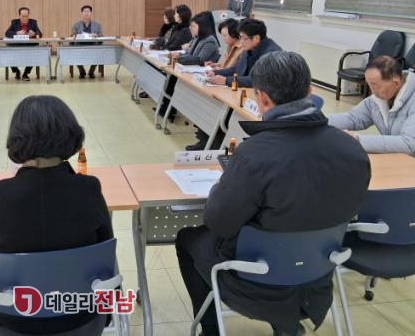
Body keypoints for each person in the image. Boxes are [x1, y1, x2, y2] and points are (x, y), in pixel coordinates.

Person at [176, 51, 371, 336]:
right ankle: (284, 326)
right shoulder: (353, 149)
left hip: (255, 282)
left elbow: (218, 222)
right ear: (310, 91)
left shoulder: (254, 154)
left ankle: (210, 329)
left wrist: (223, 184)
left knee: (187, 239)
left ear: (262, 98)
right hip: (317, 278)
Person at [0, 95, 113, 333]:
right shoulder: (89, 188)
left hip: (13, 317)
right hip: (80, 314)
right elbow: (104, 252)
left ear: (17, 139)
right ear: (70, 134)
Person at [328, 56, 415, 155]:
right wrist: (320, 120)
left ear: (396, 83)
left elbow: (408, 143)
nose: (372, 91)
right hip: (397, 158)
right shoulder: (378, 98)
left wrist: (358, 140)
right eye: (369, 85)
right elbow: (354, 118)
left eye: (375, 85)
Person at [206, 18, 281, 88]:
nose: (241, 41)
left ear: (256, 38)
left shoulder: (272, 54)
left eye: (244, 38)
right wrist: (216, 72)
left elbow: (258, 80)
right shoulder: (249, 47)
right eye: (240, 37)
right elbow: (238, 68)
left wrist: (226, 80)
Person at [5, 7, 43, 81]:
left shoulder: (33, 22)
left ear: (29, 15)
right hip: (16, 45)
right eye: (23, 16)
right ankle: (17, 71)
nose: (25, 18)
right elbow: (7, 33)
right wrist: (17, 33)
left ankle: (25, 74)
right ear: (19, 15)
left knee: (34, 54)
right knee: (9, 54)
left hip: (29, 45)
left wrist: (34, 34)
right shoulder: (14, 22)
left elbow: (40, 34)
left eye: (27, 16)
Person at [71, 4, 103, 79]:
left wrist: (97, 35)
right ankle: (82, 71)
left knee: (98, 54)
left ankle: (91, 72)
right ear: (82, 13)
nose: (86, 13)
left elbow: (101, 36)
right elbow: (72, 34)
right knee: (74, 54)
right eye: (84, 11)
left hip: (93, 46)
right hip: (79, 46)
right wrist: (74, 36)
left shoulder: (97, 24)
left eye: (88, 11)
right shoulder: (76, 24)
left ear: (91, 13)